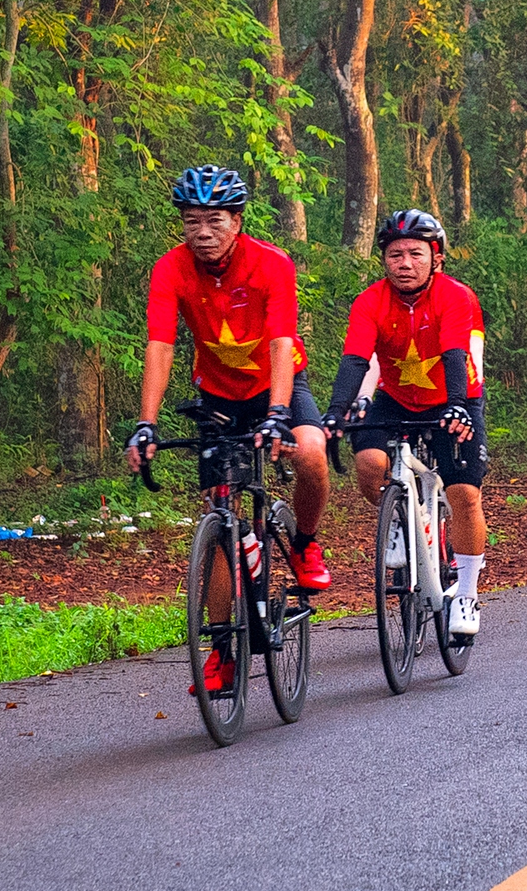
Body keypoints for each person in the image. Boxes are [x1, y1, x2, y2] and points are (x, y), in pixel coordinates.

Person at [127, 165, 332, 697]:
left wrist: (279, 413)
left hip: (275, 386)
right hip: (217, 397)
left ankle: (305, 544)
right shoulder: (170, 269)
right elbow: (160, 346)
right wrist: (146, 423)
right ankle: (222, 650)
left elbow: (282, 342)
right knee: (220, 518)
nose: (202, 231)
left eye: (214, 219)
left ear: (237, 221)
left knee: (311, 452)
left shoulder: (271, 264)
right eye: (191, 220)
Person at [325, 210, 491, 637]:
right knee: (367, 463)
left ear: (436, 258)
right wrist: (337, 409)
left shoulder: (455, 296)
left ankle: (468, 592)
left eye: (416, 253)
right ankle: (398, 518)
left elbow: (456, 353)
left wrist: (457, 406)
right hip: (395, 397)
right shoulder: (370, 301)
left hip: (455, 396)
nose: (404, 263)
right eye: (395, 254)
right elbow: (356, 359)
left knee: (464, 494)